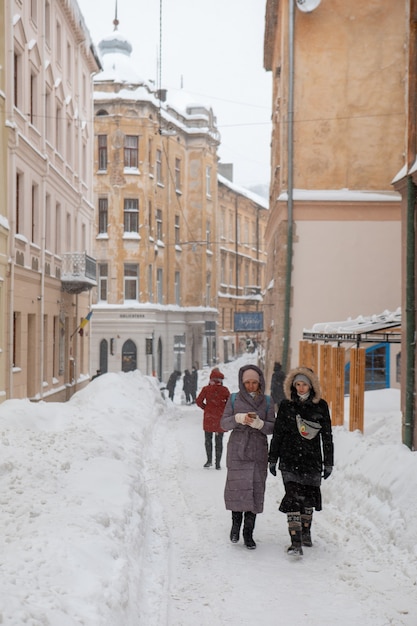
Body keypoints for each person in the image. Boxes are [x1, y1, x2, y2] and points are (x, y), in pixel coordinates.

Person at [268, 366, 334, 556]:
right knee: (292, 499)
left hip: (312, 460)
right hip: (289, 460)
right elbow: (278, 434)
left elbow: (327, 436)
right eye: (297, 384)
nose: (300, 388)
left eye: (304, 384)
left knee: (308, 500)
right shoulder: (286, 406)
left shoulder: (320, 406)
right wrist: (273, 458)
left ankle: (306, 532)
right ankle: (295, 541)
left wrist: (328, 462)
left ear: (311, 385)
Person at [220, 364, 275, 549]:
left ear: (260, 383)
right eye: (247, 382)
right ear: (242, 383)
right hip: (238, 449)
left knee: (255, 490)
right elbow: (223, 423)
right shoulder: (234, 399)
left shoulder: (267, 401)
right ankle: (236, 525)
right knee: (237, 489)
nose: (251, 386)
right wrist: (238, 418)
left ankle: (248, 533)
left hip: (258, 450)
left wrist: (260, 424)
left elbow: (272, 427)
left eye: (254, 382)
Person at [196, 368, 230, 469]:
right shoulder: (225, 390)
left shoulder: (206, 389)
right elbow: (229, 404)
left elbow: (198, 401)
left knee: (208, 439)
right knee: (219, 441)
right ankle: (218, 463)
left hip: (209, 418)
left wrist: (205, 407)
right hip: (220, 419)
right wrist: (223, 409)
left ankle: (209, 460)